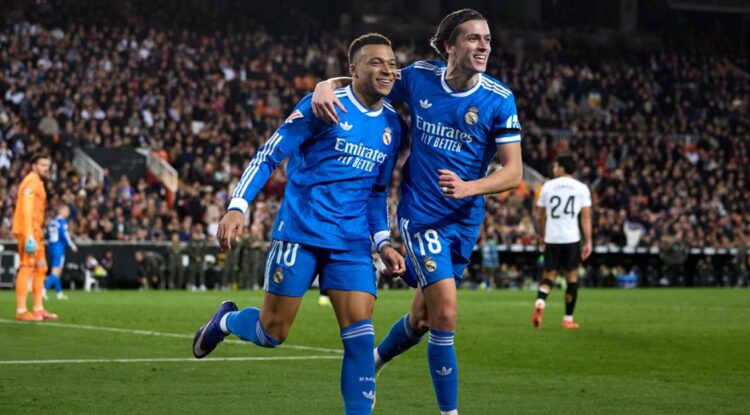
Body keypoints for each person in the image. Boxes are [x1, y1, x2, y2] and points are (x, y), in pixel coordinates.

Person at [312, 9, 523, 415]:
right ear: (449, 46)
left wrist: (470, 187)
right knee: (446, 312)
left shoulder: (499, 99)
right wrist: (326, 85)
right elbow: (368, 81)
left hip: (465, 220)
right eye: (473, 38)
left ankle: (374, 362)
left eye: (487, 39)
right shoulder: (420, 77)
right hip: (422, 215)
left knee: (422, 319)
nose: (484, 46)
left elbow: (513, 172)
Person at [193, 33, 406, 415]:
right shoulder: (323, 105)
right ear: (353, 69)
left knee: (361, 339)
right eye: (376, 62)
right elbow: (269, 155)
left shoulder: (393, 124)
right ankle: (226, 321)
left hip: (352, 242)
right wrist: (238, 206)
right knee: (271, 333)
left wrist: (382, 242)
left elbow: (378, 192)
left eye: (392, 63)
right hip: (301, 232)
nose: (387, 70)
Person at [532, 154, 592, 330]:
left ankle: (541, 300)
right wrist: (589, 241)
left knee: (549, 276)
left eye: (556, 166)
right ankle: (568, 319)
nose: (554, 169)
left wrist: (541, 234)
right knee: (571, 278)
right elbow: (586, 218)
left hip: (552, 238)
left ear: (563, 168)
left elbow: (539, 215)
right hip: (571, 238)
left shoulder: (548, 186)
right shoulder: (581, 188)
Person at [12, 152, 58, 321]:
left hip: (36, 231)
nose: (46, 168)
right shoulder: (31, 181)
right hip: (28, 231)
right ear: (34, 166)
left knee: (41, 268)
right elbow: (26, 209)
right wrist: (29, 235)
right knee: (27, 267)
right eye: (43, 165)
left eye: (48, 165)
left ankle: (38, 309)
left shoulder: (38, 182)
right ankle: (21, 311)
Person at [44, 204, 78, 300]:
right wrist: (72, 245)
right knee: (55, 272)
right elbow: (65, 235)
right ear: (62, 211)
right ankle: (43, 290)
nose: (68, 212)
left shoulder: (53, 221)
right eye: (67, 210)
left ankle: (59, 293)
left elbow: (47, 234)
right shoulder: (62, 221)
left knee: (58, 272)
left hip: (51, 246)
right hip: (58, 247)